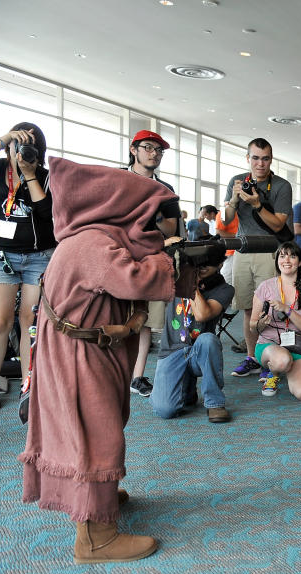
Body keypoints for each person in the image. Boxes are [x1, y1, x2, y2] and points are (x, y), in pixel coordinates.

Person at [19, 158, 179, 563]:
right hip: (81, 356)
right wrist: (166, 261)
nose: (150, 222)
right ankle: (96, 539)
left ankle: (97, 499)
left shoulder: (88, 236)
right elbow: (134, 279)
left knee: (99, 424)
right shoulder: (94, 244)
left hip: (83, 349)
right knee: (95, 433)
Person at [0, 123, 53, 410]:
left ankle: (30, 383)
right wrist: (4, 139)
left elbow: (46, 211)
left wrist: (29, 174)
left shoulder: (46, 176)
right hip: (0, 255)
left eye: (30, 144)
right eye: (20, 142)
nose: (24, 149)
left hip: (38, 255)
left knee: (30, 322)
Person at [223, 138, 292, 379]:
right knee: (247, 308)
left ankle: (268, 361)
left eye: (265, 158)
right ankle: (252, 357)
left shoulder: (282, 186)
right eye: (255, 158)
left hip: (269, 251)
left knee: (268, 309)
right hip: (243, 251)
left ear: (271, 160)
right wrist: (234, 198)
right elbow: (227, 216)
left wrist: (257, 204)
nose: (260, 163)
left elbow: (278, 224)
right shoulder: (237, 181)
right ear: (248, 158)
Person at [126, 130, 181, 399]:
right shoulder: (118, 179)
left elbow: (170, 227)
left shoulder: (165, 190)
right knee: (114, 314)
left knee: (144, 319)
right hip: (119, 253)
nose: (154, 154)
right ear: (134, 149)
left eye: (159, 150)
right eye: (148, 148)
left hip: (150, 256)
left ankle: (137, 377)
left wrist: (154, 208)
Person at [150, 246, 233, 422]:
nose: (201, 268)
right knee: (165, 410)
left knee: (208, 340)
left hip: (199, 352)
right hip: (172, 350)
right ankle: (187, 391)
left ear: (219, 265)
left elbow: (203, 315)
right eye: (198, 264)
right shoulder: (175, 277)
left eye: (207, 266)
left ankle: (214, 403)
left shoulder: (224, 289)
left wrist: (191, 283)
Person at [251, 242, 301, 399]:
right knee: (282, 360)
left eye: (292, 256)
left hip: (298, 346)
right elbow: (252, 326)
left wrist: (287, 310)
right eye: (282, 256)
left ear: (300, 262)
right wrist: (260, 324)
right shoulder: (265, 286)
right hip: (270, 345)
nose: (286, 260)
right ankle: (274, 373)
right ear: (277, 261)